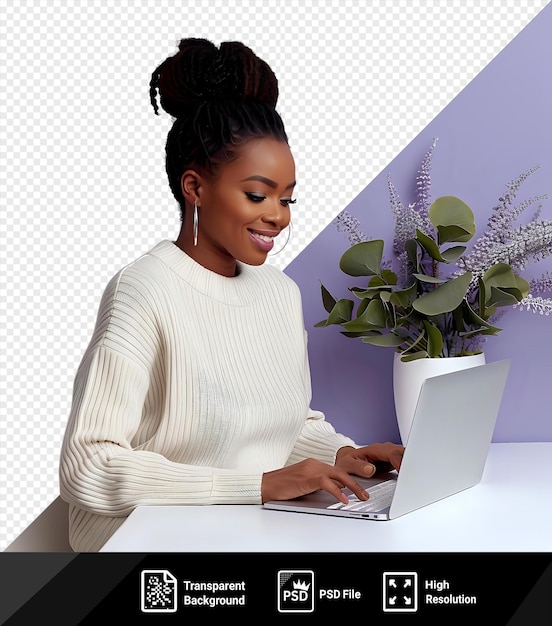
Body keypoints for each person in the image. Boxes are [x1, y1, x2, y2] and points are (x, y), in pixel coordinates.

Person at [59, 38, 404, 552]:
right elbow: (88, 464)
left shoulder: (279, 292)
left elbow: (281, 427)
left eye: (287, 198)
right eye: (257, 194)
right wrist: (257, 487)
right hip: (145, 540)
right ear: (194, 188)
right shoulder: (143, 291)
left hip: (245, 525)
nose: (279, 215)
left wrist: (344, 454)